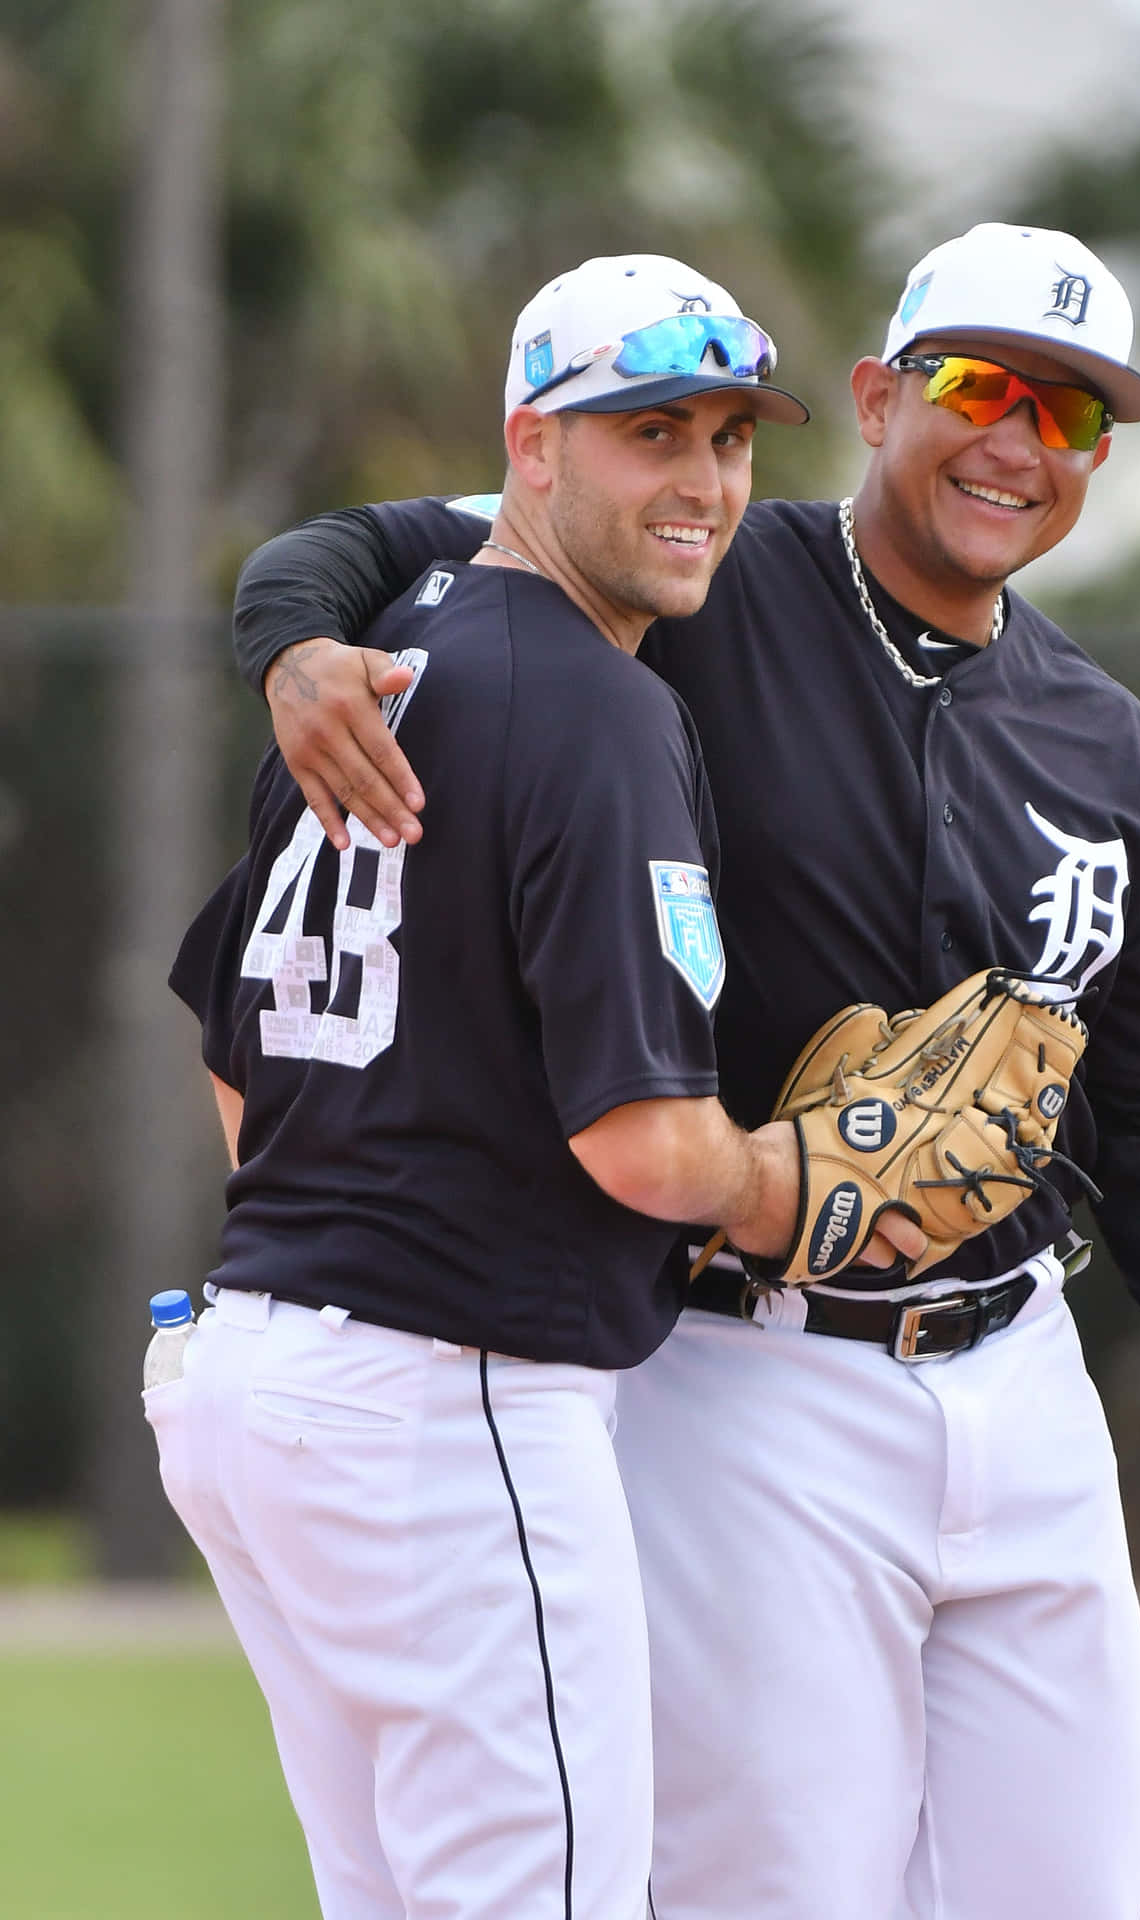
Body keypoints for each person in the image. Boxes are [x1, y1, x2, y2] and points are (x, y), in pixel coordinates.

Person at [229, 223, 1140, 1920]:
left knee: (1066, 1890)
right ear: (880, 395)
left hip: (1023, 1370)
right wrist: (294, 649)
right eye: (980, 387)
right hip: (743, 1372)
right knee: (772, 1889)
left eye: (1073, 416)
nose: (1018, 441)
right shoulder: (694, 570)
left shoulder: (1104, 741)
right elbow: (381, 545)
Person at [153, 252, 923, 1920]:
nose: (705, 482)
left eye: (729, 439)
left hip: (259, 1382)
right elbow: (646, 1145)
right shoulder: (593, 706)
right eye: (651, 431)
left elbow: (234, 1066)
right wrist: (800, 1177)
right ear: (531, 445)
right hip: (450, 1406)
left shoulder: (373, 665)